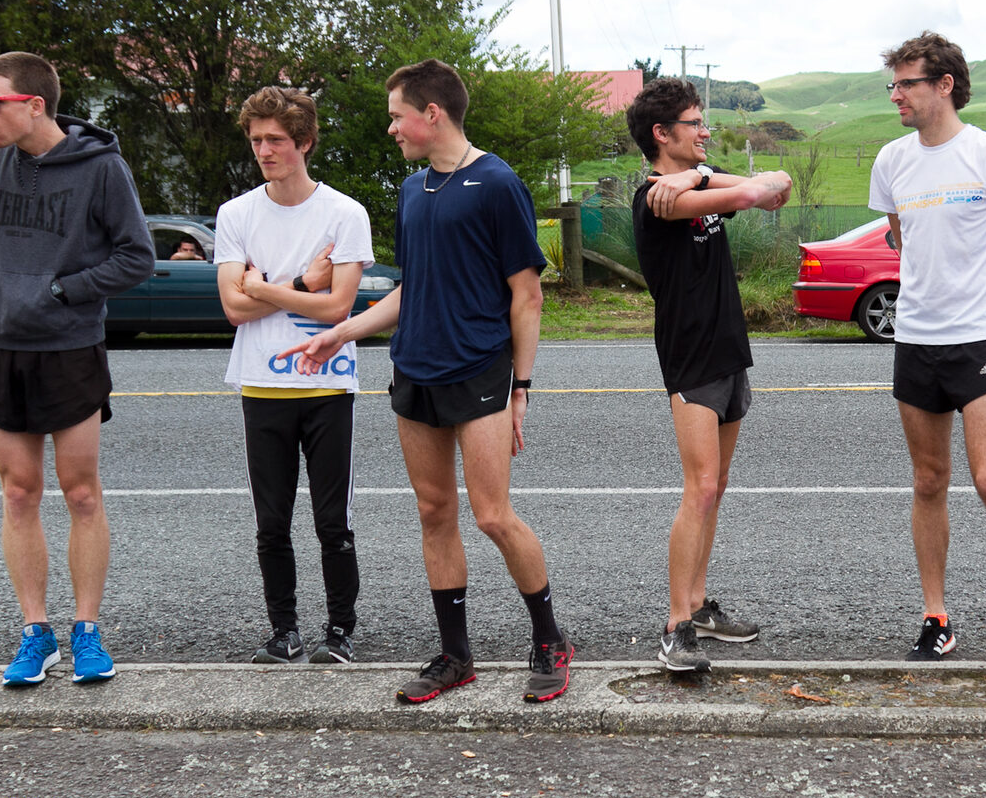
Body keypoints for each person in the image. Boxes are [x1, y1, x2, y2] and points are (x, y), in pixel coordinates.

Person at [283, 58, 573, 704]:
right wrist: (344, 330)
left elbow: (527, 296)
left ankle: (550, 639)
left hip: (479, 371)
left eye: (396, 116)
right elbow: (412, 291)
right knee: (434, 512)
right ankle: (455, 655)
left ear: (431, 114)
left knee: (493, 515)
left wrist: (521, 386)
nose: (392, 128)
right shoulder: (414, 191)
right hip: (414, 372)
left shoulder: (497, 184)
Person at [0, 52, 154, 686]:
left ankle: (88, 630)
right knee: (18, 492)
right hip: (0, 346)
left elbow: (135, 256)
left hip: (68, 346)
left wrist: (62, 292)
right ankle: (36, 632)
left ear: (33, 105)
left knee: (81, 493)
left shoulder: (102, 167)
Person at [867, 31, 986, 665]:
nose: (895, 94)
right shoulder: (891, 160)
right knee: (928, 481)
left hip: (980, 340)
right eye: (891, 84)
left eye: (906, 83)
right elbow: (901, 239)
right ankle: (935, 616)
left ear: (944, 85)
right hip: (915, 339)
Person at [624, 78, 792, 673]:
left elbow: (778, 187)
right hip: (690, 356)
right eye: (694, 124)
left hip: (728, 349)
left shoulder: (690, 177)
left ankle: (697, 607)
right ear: (661, 134)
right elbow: (748, 198)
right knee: (699, 488)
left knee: (714, 487)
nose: (705, 132)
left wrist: (698, 172)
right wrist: (700, 180)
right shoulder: (657, 199)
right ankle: (675, 628)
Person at [215, 86, 373, 666]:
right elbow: (233, 309)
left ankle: (339, 632)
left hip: (328, 383)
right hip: (261, 383)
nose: (264, 150)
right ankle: (283, 632)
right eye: (256, 140)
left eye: (276, 139)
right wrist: (304, 285)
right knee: (271, 523)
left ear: (303, 141)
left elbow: (340, 310)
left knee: (334, 521)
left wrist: (263, 286)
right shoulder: (236, 214)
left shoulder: (344, 213)